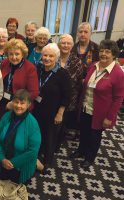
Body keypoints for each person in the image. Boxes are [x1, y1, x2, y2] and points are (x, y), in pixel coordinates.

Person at [70, 39, 124, 168]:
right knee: (83, 131)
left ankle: (90, 157)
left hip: (100, 112)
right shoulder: (94, 65)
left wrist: (109, 118)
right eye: (101, 51)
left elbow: (118, 98)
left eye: (107, 51)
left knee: (94, 135)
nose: (103, 54)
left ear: (114, 54)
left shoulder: (118, 73)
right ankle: (80, 150)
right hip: (85, 106)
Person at [32, 43, 71, 168]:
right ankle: (36, 156)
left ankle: (47, 161)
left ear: (56, 58)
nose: (47, 58)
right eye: (45, 55)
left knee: (50, 137)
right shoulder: (38, 69)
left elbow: (67, 96)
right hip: (37, 110)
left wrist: (60, 113)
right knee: (37, 134)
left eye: (51, 56)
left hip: (53, 112)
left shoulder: (62, 74)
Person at [0, 89, 41, 184]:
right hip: (4, 161)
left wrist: (13, 163)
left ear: (28, 105)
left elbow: (33, 151)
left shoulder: (32, 123)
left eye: (22, 103)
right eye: (16, 102)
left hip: (21, 165)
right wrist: (2, 158)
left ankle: (37, 165)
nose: (18, 106)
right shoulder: (6, 116)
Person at [0, 39, 39, 120]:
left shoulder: (30, 68)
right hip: (3, 103)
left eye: (17, 54)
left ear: (23, 54)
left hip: (20, 106)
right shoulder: (4, 63)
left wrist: (15, 104)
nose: (14, 57)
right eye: (11, 54)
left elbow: (34, 93)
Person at [57, 34, 85, 142]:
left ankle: (59, 143)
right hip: (53, 97)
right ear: (59, 44)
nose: (65, 45)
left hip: (69, 99)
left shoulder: (77, 62)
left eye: (68, 43)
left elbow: (79, 82)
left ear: (72, 45)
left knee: (63, 123)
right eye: (63, 43)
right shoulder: (54, 57)